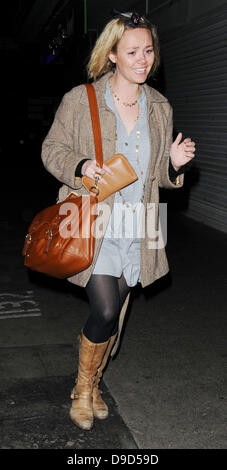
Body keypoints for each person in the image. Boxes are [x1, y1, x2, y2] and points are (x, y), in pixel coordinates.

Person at [41, 10, 196, 431]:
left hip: (141, 224)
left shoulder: (159, 107)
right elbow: (51, 149)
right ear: (112, 55)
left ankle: (93, 383)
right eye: (132, 51)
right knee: (106, 309)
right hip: (93, 222)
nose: (143, 59)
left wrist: (174, 164)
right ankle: (81, 387)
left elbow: (160, 178)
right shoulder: (81, 99)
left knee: (117, 317)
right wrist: (81, 164)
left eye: (148, 50)